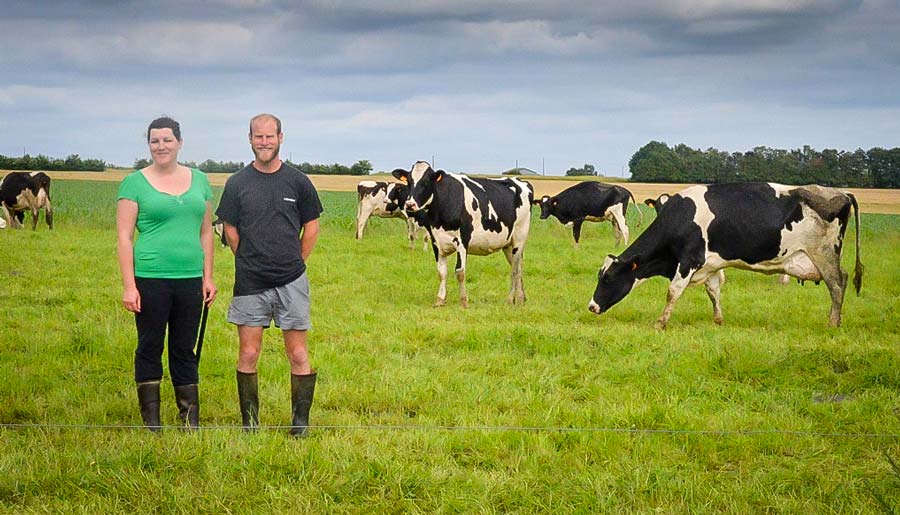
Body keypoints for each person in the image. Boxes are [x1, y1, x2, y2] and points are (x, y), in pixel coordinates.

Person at [215, 113, 323, 436]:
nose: (264, 142)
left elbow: (312, 228)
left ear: (280, 138)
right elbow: (230, 229)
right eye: (258, 137)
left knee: (298, 353)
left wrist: (294, 262)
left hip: (292, 281)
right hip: (250, 282)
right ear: (249, 139)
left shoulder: (298, 182)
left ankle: (299, 425)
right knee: (248, 352)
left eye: (269, 136)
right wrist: (247, 259)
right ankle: (250, 424)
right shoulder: (237, 183)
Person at [116, 116, 217, 431]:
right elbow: (124, 237)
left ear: (179, 143)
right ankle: (152, 423)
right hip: (150, 278)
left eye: (167, 140)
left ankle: (189, 420)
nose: (161, 146)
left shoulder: (200, 180)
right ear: (149, 145)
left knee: (184, 347)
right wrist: (129, 286)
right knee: (150, 345)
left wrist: (207, 276)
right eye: (155, 140)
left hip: (189, 278)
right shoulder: (134, 183)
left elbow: (206, 233)